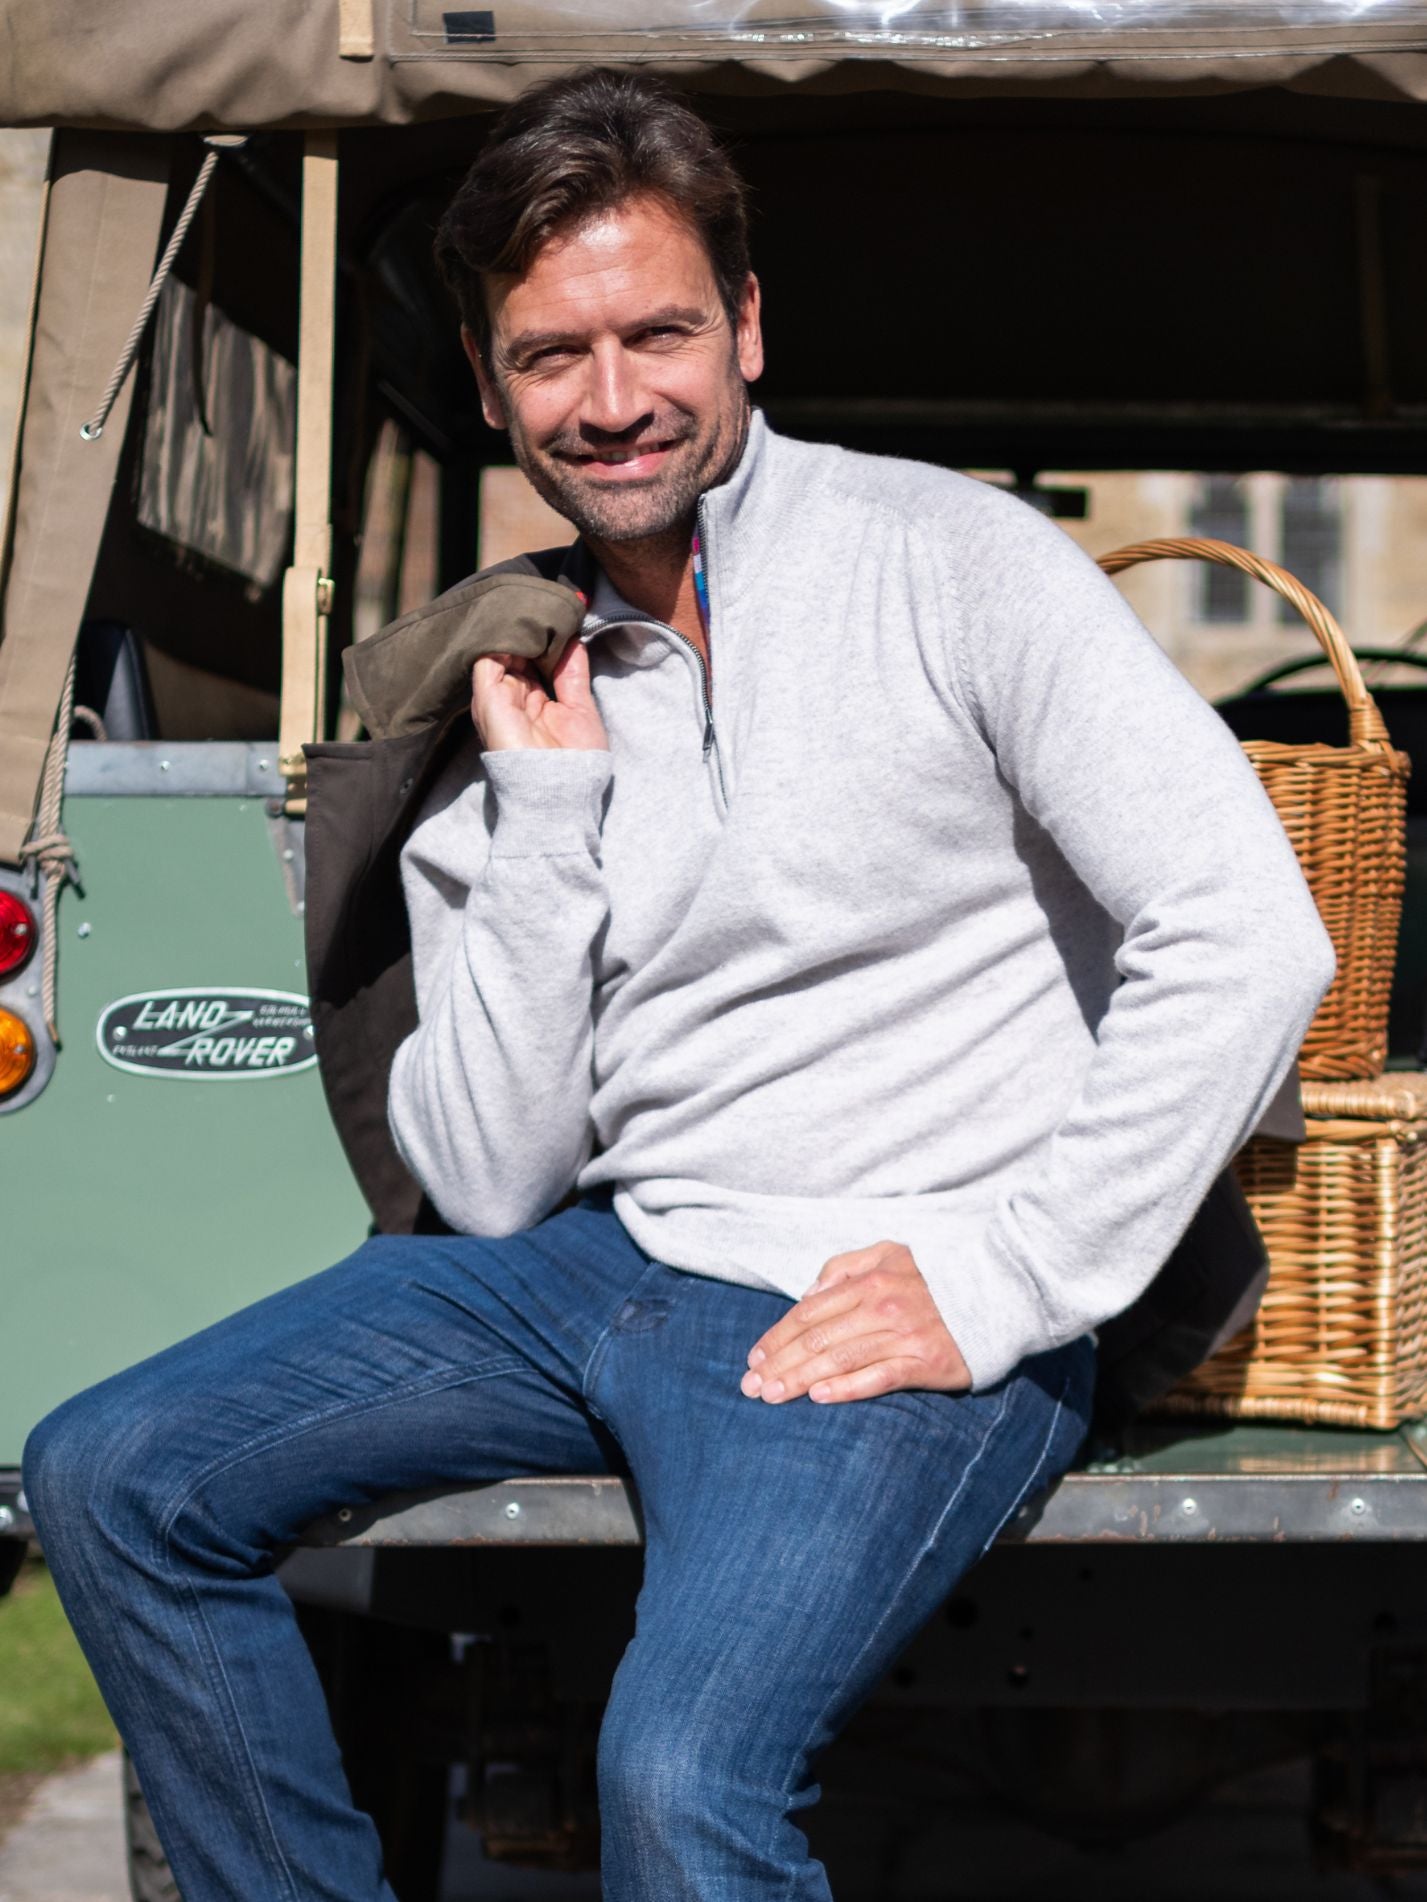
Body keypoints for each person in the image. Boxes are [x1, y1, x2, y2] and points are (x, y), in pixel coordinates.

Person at [23, 67, 1334, 1902]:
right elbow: (482, 1183)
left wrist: (1007, 1277)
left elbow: (1248, 925)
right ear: (491, 389)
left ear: (746, 330)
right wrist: (548, 811)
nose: (614, 396)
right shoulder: (520, 682)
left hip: (893, 1284)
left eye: (659, 332)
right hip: (612, 1261)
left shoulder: (956, 567)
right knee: (107, 1471)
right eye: (554, 354)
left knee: (680, 1778)